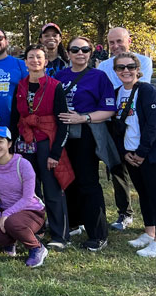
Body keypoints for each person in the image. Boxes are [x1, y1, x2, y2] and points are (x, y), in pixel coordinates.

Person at [54, 36, 118, 252]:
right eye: (75, 49)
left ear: (91, 52)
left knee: (88, 183)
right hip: (63, 135)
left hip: (87, 134)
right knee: (67, 181)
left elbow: (109, 109)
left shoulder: (99, 77)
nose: (80, 53)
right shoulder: (59, 76)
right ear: (68, 53)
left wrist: (84, 118)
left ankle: (98, 234)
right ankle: (73, 223)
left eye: (85, 49)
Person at [9, 44, 72, 251]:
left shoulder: (55, 86)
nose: (35, 60)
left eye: (39, 57)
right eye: (31, 57)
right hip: (24, 143)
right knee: (30, 189)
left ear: (45, 62)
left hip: (47, 140)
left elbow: (63, 121)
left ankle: (60, 235)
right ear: (25, 62)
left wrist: (56, 153)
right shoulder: (21, 86)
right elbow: (15, 117)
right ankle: (35, 228)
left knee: (52, 189)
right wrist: (11, 145)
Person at [110, 52, 156, 257]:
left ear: (137, 69)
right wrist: (125, 153)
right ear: (115, 71)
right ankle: (149, 232)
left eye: (130, 66)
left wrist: (142, 152)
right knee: (143, 193)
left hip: (153, 153)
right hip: (131, 154)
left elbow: (154, 125)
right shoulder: (118, 92)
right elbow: (116, 127)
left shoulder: (147, 91)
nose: (125, 71)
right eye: (120, 67)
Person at [97, 27, 154, 231]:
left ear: (129, 40)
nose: (115, 46)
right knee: (116, 168)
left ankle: (153, 220)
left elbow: (137, 93)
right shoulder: (103, 66)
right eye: (111, 43)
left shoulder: (143, 61)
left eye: (119, 41)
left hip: (137, 123)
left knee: (143, 170)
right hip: (113, 124)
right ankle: (125, 213)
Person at [0, 127, 48, 268]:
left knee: (12, 223)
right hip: (6, 211)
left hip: (31, 210)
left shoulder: (23, 164)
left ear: (10, 144)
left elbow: (28, 197)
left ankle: (37, 248)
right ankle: (10, 242)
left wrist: (6, 214)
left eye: (1, 141)